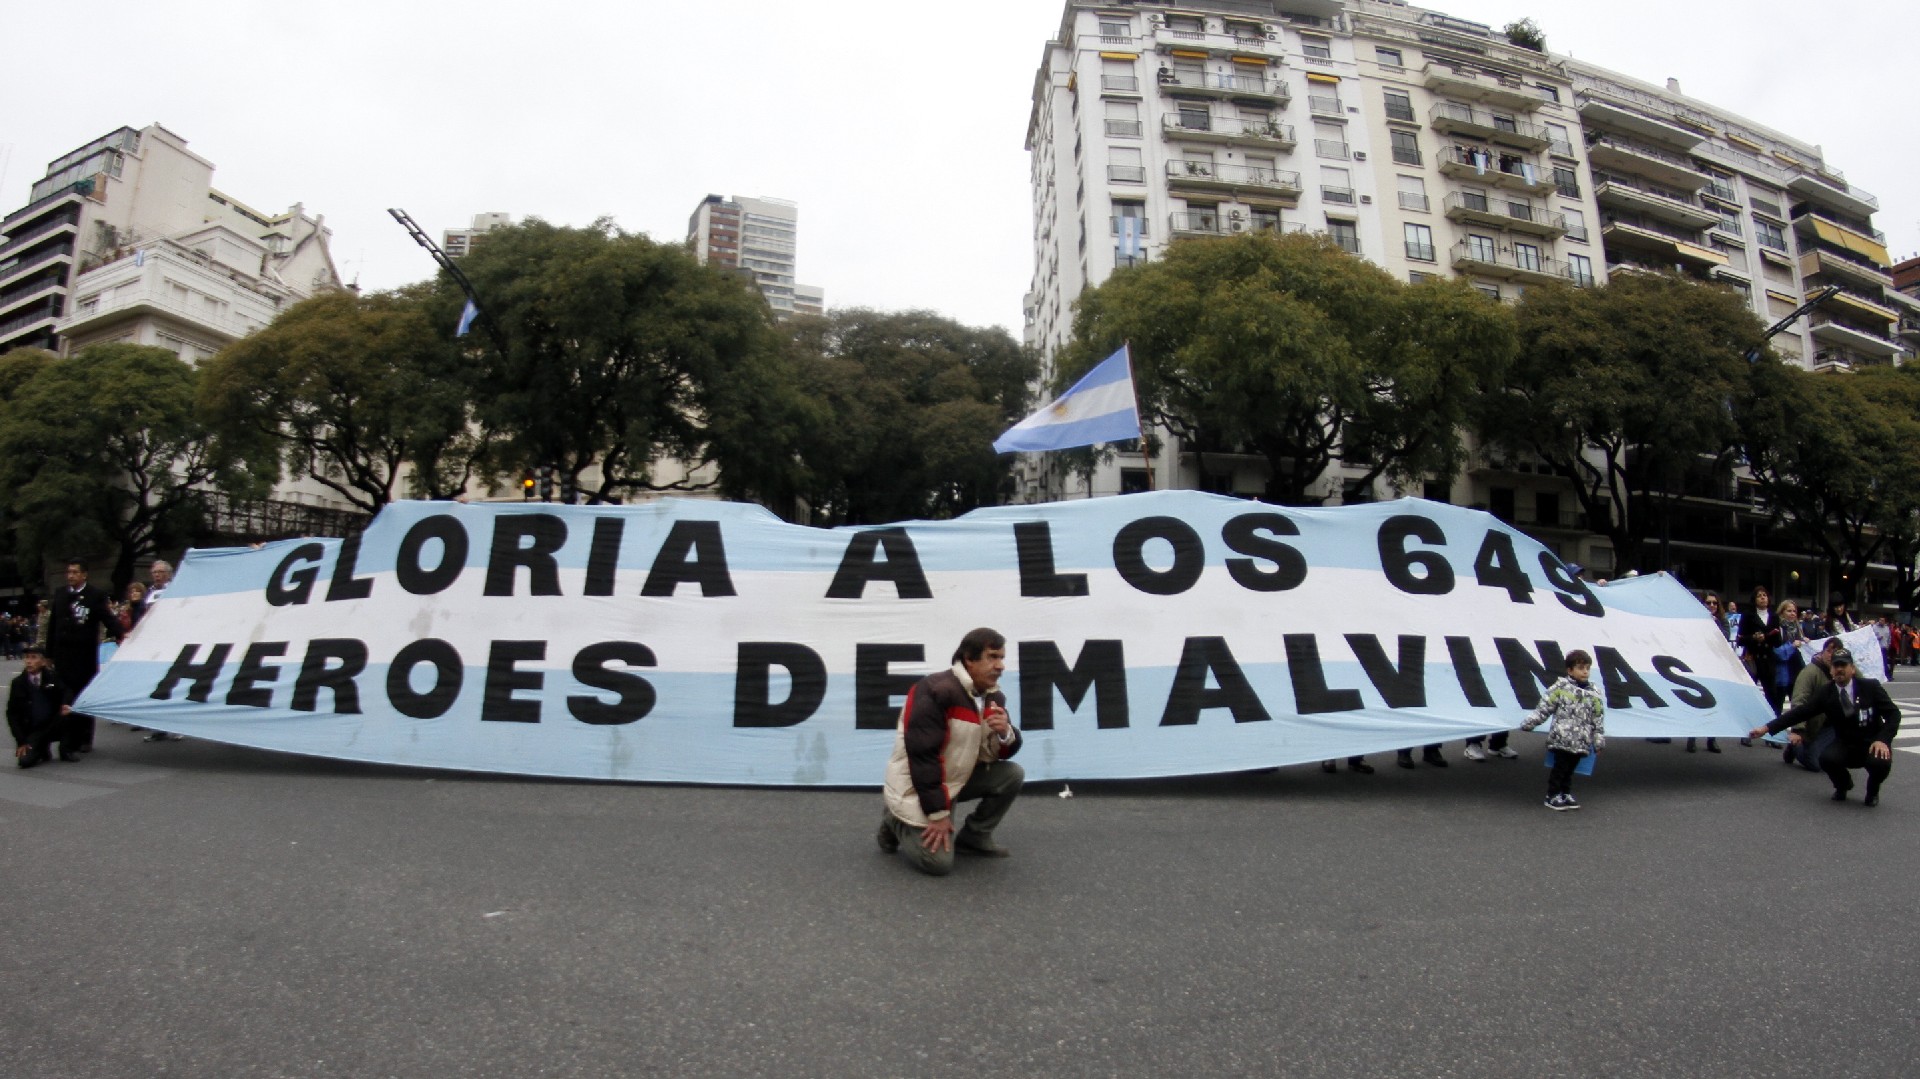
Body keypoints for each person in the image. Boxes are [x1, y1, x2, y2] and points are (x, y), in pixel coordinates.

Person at [878, 628, 1024, 875]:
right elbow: (923, 756)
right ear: (969, 658)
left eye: (1002, 658)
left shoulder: (994, 696)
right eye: (992, 657)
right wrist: (937, 814)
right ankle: (894, 820)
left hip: (954, 779)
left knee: (1012, 774)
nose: (1000, 666)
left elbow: (991, 755)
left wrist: (1005, 733)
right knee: (937, 864)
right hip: (918, 784)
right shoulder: (935, 690)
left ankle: (975, 838)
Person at [1750, 648, 1899, 806]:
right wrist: (1766, 728)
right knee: (1826, 759)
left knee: (1881, 762)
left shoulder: (1870, 687)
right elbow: (1801, 712)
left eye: (1844, 665)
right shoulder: (1826, 693)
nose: (1839, 669)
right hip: (1846, 743)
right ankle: (1843, 786)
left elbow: (1894, 714)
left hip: (1872, 742)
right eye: (1836, 665)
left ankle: (1872, 791)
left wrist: (1883, 740)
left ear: (1852, 668)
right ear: (1831, 670)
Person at [37, 558, 122, 753]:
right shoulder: (60, 594)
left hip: (84, 655)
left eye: (75, 572)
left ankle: (85, 737)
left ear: (84, 575)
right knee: (65, 695)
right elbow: (53, 626)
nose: (71, 576)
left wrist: (122, 634)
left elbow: (107, 618)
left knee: (83, 694)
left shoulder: (95, 595)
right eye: (69, 572)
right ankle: (68, 737)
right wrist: (48, 653)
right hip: (62, 655)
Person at [1520, 649, 1605, 811]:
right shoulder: (1559, 688)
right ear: (1570, 670)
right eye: (1580, 668)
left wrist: (1598, 741)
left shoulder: (1594, 693)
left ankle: (1565, 793)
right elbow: (1543, 709)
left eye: (1587, 668)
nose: (1585, 672)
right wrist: (1529, 723)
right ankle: (1551, 795)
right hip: (1562, 738)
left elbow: (1598, 719)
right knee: (1560, 768)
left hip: (1581, 740)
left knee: (1570, 769)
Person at [8, 646, 75, 767]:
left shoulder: (52, 677)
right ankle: (41, 749)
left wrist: (66, 703)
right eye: (27, 658)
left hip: (52, 723)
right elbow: (12, 714)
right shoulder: (18, 683)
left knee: (69, 714)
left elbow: (66, 691)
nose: (29, 661)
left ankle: (66, 750)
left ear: (43, 662)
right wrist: (21, 741)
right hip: (33, 729)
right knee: (24, 761)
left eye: (33, 658)